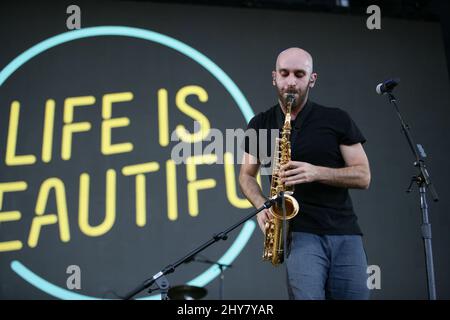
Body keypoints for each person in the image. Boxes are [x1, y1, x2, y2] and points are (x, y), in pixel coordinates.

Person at [239, 47, 371, 300]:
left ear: (312, 79)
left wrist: (316, 172)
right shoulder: (259, 124)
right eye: (284, 73)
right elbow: (246, 175)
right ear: (274, 77)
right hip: (299, 235)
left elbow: (363, 176)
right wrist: (260, 204)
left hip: (345, 233)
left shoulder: (337, 119)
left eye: (299, 74)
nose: (291, 81)